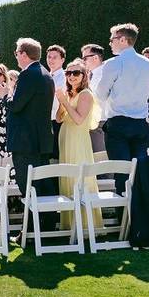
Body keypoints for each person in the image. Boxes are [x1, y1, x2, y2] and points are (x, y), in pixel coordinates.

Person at [93, 23, 149, 194]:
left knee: (122, 173)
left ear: (123, 40)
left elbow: (100, 94)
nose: (110, 43)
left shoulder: (113, 63)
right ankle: (140, 215)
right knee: (139, 173)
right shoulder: (147, 64)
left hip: (118, 124)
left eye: (112, 39)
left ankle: (124, 216)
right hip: (141, 124)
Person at [5, 38, 56, 226]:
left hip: (25, 142)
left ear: (24, 54)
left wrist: (6, 95)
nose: (16, 56)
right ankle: (46, 225)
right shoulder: (45, 74)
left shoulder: (28, 75)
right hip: (40, 140)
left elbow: (16, 105)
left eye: (17, 52)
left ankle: (33, 229)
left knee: (28, 186)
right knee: (42, 185)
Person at [54, 60, 102, 231]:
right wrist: (62, 102)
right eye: (68, 73)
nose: (71, 76)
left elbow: (79, 119)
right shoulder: (69, 94)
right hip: (66, 138)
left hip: (78, 141)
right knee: (67, 178)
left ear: (84, 75)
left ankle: (87, 226)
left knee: (79, 178)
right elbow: (59, 119)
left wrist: (65, 102)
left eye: (76, 73)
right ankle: (70, 226)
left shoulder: (86, 94)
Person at [82, 43, 107, 153]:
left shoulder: (104, 74)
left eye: (85, 58)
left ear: (96, 57)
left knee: (100, 157)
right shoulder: (91, 74)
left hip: (100, 122)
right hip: (91, 122)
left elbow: (97, 97)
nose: (83, 61)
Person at [46, 45, 66, 159]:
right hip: (46, 121)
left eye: (55, 57)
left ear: (62, 60)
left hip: (58, 121)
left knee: (57, 155)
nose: (51, 60)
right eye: (49, 57)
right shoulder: (46, 76)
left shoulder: (64, 77)